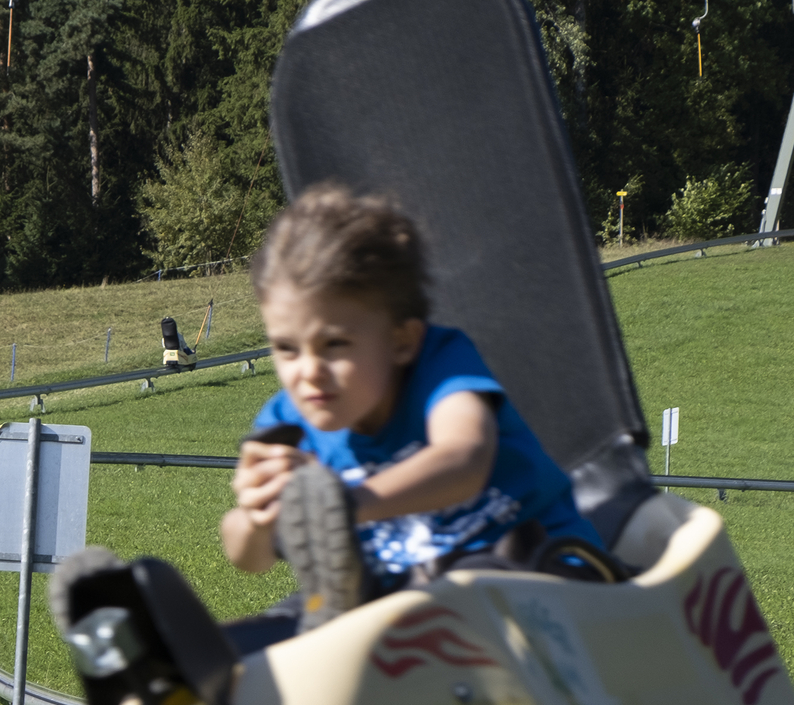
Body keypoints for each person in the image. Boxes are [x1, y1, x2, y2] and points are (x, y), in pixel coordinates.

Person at [221, 184, 612, 634]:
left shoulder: (439, 366)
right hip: (405, 597)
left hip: (542, 568)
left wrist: (343, 505)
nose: (308, 372)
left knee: (461, 587)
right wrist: (256, 518)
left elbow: (464, 458)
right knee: (273, 635)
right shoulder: (288, 422)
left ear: (402, 341)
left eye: (335, 344)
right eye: (287, 349)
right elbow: (246, 557)